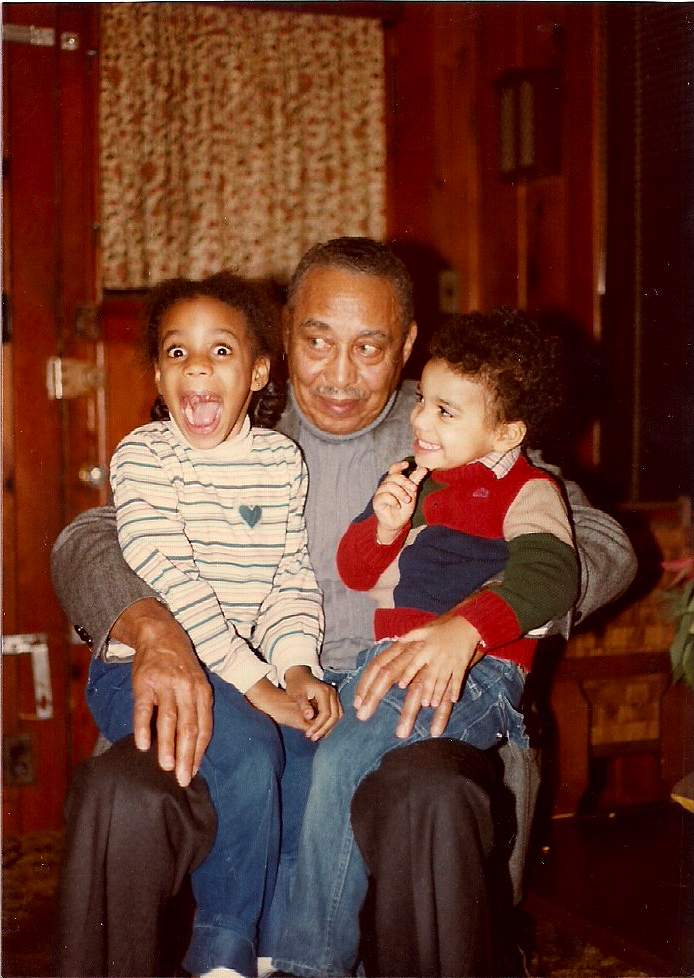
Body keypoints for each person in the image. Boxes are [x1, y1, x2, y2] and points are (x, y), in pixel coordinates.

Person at [52, 237, 637, 977]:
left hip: (403, 700)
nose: (338, 373)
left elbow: (599, 543)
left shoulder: (449, 432)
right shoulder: (234, 420)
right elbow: (89, 537)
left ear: (408, 347)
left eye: (370, 346)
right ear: (283, 336)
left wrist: (475, 622)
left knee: (432, 793)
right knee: (122, 789)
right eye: (318, 340)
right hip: (242, 696)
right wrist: (149, 624)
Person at [272, 309, 579, 976]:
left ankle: (310, 963)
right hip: (384, 662)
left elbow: (552, 575)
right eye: (423, 404)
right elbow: (357, 572)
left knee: (344, 757)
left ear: (506, 431)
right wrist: (382, 526)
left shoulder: (528, 490)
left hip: (482, 674)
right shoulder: (414, 478)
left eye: (445, 412)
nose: (420, 423)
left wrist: (467, 630)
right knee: (333, 760)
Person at [69, 271, 342, 978]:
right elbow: (173, 585)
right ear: (160, 374)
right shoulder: (143, 458)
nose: (197, 368)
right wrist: (258, 687)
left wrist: (298, 670)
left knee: (310, 752)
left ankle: (277, 933)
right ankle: (222, 946)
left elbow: (289, 578)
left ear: (257, 372)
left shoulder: (282, 462)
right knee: (250, 748)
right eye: (177, 352)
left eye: (220, 352)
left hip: (242, 664)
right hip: (140, 667)